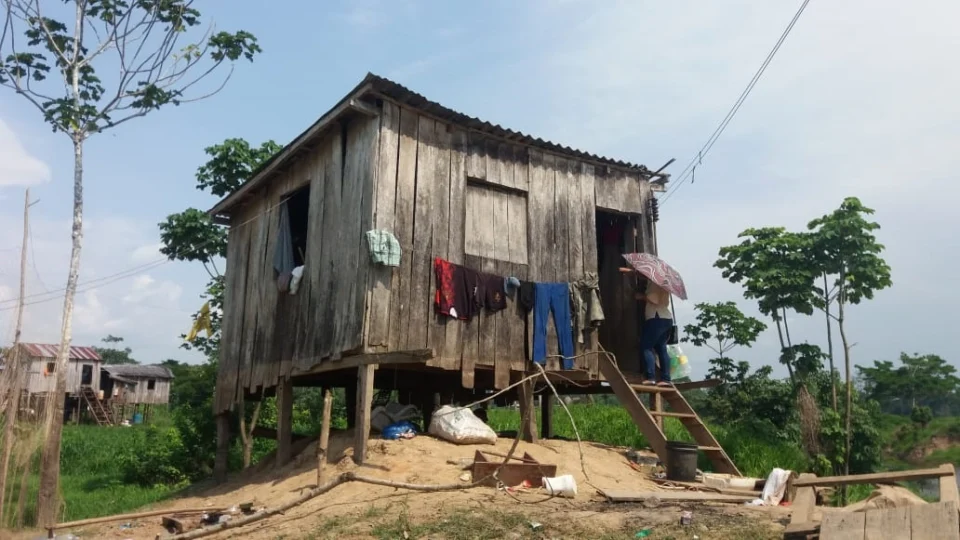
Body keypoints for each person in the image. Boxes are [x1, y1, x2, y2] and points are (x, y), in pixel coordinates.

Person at [635, 280, 673, 387]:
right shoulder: (665, 283)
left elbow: (654, 299)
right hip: (665, 318)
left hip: (656, 317)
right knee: (661, 348)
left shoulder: (655, 282)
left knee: (646, 346)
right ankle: (666, 378)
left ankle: (650, 377)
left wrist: (641, 296)